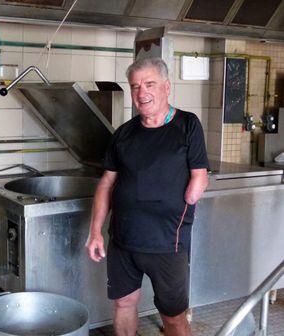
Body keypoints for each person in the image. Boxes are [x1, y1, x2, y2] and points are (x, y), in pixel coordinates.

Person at [85, 57, 209, 336]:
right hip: (123, 239)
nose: (142, 93)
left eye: (149, 84)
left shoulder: (188, 125)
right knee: (124, 302)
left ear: (166, 87)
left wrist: (186, 200)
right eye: (135, 86)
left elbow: (200, 174)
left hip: (167, 241)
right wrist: (95, 232)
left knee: (173, 315)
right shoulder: (123, 134)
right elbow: (106, 182)